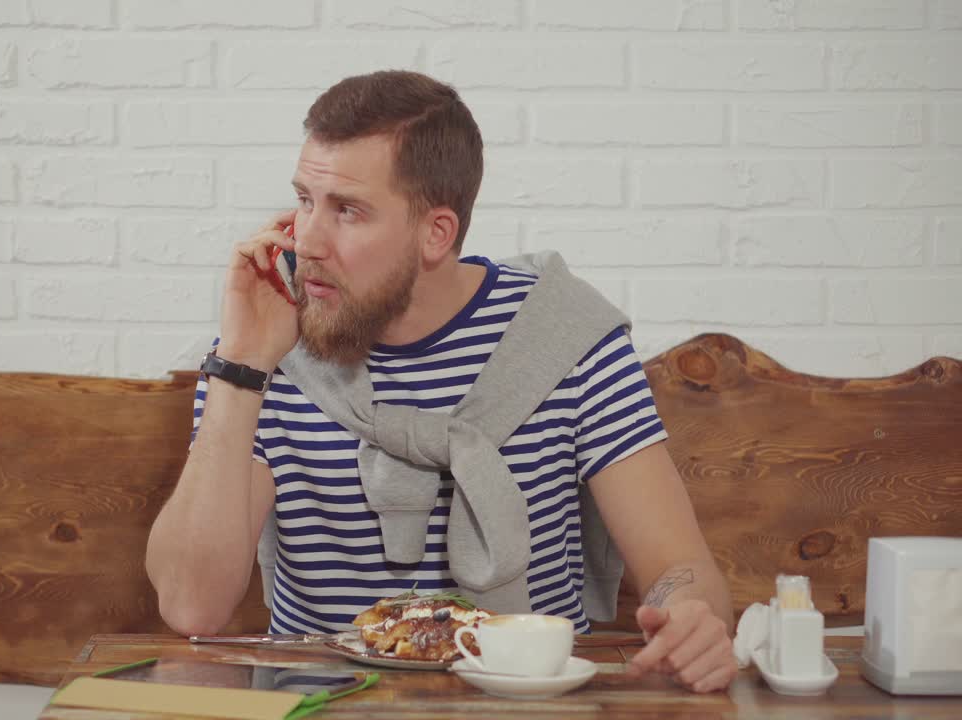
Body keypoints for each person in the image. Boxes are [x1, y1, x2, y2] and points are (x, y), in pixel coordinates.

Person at [145, 70, 738, 693]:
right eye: (305, 200)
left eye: (347, 210)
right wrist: (240, 366)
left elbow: (678, 568)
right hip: (319, 705)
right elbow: (192, 606)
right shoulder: (266, 346)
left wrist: (691, 617)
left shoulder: (567, 337)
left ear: (436, 234)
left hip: (523, 706)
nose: (308, 240)